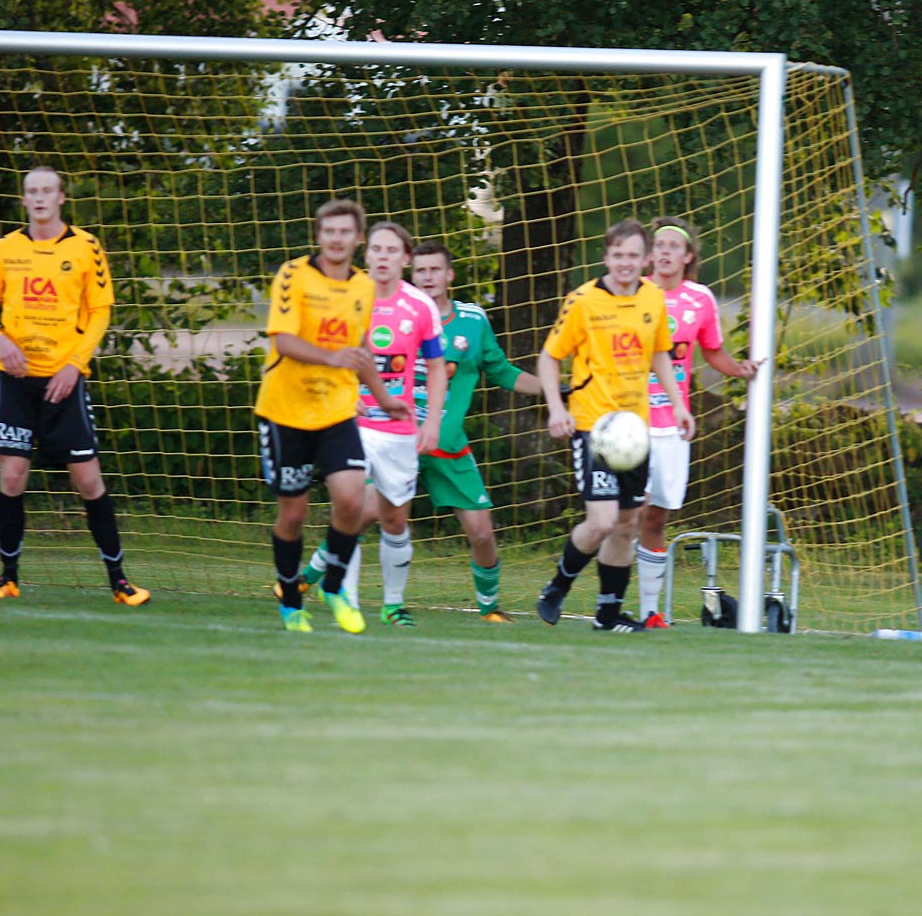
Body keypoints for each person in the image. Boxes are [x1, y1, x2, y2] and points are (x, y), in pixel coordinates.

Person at [0, 165, 148, 605]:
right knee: (12, 477)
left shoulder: (86, 247)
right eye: (32, 191)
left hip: (64, 380)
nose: (40, 198)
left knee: (88, 481)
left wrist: (75, 365)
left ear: (62, 198)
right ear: (25, 199)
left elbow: (100, 313)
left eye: (48, 191)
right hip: (14, 380)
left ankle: (120, 582)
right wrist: (0, 341)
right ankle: (7, 577)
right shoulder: (4, 249)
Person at [255, 199, 409, 634]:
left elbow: (359, 352)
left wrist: (383, 397)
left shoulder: (362, 287)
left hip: (337, 411)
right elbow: (284, 341)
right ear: (319, 235)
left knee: (350, 499)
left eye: (345, 232)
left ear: (357, 239)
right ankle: (289, 601)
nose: (336, 239)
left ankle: (334, 585)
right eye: (329, 231)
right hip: (285, 411)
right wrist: (331, 356)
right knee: (294, 515)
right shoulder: (293, 275)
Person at [534, 219, 693, 632]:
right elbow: (550, 357)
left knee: (627, 523)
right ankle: (557, 587)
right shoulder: (583, 301)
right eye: (618, 255)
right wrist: (556, 407)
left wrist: (677, 405)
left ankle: (608, 615)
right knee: (602, 521)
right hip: (593, 426)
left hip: (634, 431)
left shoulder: (653, 298)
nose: (625, 263)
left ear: (644, 260)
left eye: (633, 256)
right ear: (606, 257)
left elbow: (660, 353)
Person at [297, 222, 447, 627]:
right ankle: (348, 603)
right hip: (351, 422)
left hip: (399, 428)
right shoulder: (345, 297)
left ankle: (392, 604)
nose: (383, 256)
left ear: (405, 258)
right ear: (367, 255)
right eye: (376, 249)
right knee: (350, 507)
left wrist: (431, 420)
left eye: (391, 250)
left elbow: (435, 367)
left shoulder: (420, 307)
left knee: (394, 517)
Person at [633, 217, 756, 627]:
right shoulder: (630, 290)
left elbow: (713, 352)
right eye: (659, 245)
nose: (665, 251)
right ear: (650, 255)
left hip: (672, 425)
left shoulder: (700, 300)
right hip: (628, 420)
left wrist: (741, 370)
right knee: (623, 514)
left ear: (688, 257)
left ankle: (651, 612)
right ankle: (608, 599)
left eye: (674, 246)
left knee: (658, 515)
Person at [410, 239, 541, 623]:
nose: (428, 277)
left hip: (448, 444)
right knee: (362, 513)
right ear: (412, 275)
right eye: (421, 270)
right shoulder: (397, 317)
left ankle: (490, 610)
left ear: (449, 275)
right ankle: (307, 581)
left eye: (435, 269)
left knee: (483, 534)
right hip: (400, 438)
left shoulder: (472, 320)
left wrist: (552, 389)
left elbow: (501, 372)